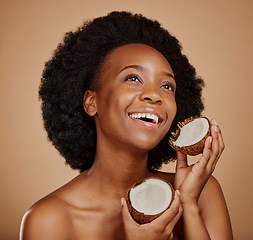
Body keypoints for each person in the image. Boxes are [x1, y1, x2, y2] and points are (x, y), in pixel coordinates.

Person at [20, 11, 233, 240]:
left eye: (167, 86)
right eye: (132, 78)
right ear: (92, 102)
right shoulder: (48, 220)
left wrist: (188, 204)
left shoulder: (203, 193)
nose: (154, 95)